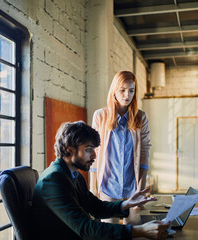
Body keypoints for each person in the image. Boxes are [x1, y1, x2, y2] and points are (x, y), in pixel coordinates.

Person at [32, 121, 169, 240]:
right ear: (69, 150)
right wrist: (140, 230)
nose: (94, 155)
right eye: (88, 149)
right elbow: (85, 229)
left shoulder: (73, 175)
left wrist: (127, 203)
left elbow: (96, 208)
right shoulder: (53, 180)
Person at [90, 71, 150, 223]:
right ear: (114, 91)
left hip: (132, 188)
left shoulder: (141, 117)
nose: (127, 95)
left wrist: (141, 189)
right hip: (108, 187)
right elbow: (94, 153)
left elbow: (144, 153)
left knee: (133, 232)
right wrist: (93, 187)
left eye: (131, 90)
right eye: (122, 90)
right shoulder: (100, 116)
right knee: (111, 234)